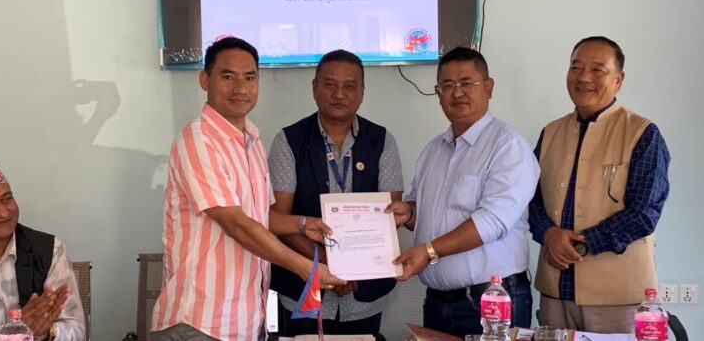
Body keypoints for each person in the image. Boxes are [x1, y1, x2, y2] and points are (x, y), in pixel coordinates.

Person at [150, 37, 345, 341]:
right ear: (205, 80)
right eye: (228, 76)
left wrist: (303, 224)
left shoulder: (251, 139)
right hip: (200, 322)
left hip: (246, 319)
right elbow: (237, 225)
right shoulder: (198, 141)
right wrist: (307, 268)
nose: (240, 88)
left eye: (250, 78)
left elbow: (259, 217)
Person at [389, 47, 539, 337]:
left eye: (467, 83)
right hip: (437, 302)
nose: (457, 93)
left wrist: (429, 252)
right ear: (438, 93)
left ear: (489, 87)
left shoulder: (508, 146)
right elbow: (426, 214)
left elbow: (492, 221)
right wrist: (409, 212)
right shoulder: (433, 151)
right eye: (447, 86)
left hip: (490, 303)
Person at [528, 36, 671, 333]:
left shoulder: (642, 133)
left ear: (618, 80)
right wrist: (548, 233)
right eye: (576, 67)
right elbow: (529, 198)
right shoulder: (551, 133)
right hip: (555, 292)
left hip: (618, 297)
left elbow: (644, 212)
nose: (584, 78)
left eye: (597, 70)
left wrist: (584, 243)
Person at [268, 50, 404, 339]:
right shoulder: (288, 141)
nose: (339, 94)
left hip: (365, 292)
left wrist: (352, 268)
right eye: (330, 84)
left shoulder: (382, 141)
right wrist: (330, 264)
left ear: (362, 91)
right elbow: (279, 220)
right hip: (303, 288)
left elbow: (390, 218)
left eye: (349, 86)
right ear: (314, 88)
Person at [0, 151, 85, 340]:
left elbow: (76, 330)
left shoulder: (49, 250)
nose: (2, 212)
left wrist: (47, 332)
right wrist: (6, 334)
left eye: (7, 199)